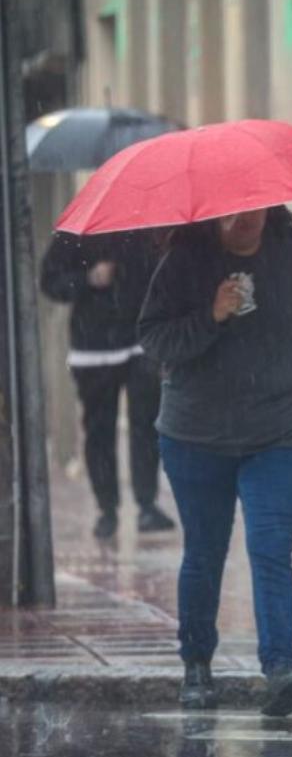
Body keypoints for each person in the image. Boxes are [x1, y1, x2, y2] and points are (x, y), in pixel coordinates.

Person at [137, 207, 292, 716]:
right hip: (196, 435)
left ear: (269, 206)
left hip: (277, 431)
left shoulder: (291, 257)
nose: (243, 219)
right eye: (231, 212)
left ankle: (280, 667)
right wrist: (210, 316)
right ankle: (197, 663)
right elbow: (155, 340)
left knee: (271, 548)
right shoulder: (185, 259)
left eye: (253, 208)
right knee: (205, 552)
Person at [40, 230, 175, 541]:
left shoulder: (142, 231)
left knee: (146, 425)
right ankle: (107, 509)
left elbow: (161, 275)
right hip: (93, 347)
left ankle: (147, 504)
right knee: (99, 431)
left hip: (139, 342)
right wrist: (87, 278)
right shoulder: (75, 234)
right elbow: (50, 282)